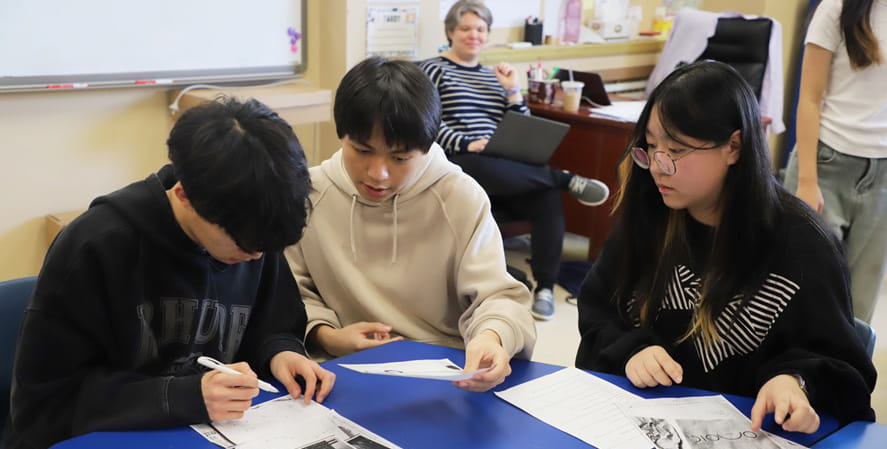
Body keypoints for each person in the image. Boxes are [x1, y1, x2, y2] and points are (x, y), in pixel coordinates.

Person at [4, 98, 335, 449]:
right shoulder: (96, 248)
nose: (255, 256)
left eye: (265, 248)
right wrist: (180, 396)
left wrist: (280, 352)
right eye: (243, 245)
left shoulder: (254, 229)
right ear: (185, 195)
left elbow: (271, 326)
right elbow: (44, 408)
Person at [575, 61, 876, 433]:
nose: (657, 167)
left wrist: (794, 381)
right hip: (643, 426)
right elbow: (598, 312)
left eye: (677, 150)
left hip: (750, 432)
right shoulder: (649, 214)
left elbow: (843, 366)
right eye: (650, 148)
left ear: (734, 146)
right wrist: (631, 350)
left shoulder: (802, 245)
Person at [285, 56, 536, 393]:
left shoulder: (459, 196)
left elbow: (498, 296)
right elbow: (291, 294)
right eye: (361, 150)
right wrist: (328, 336)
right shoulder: (309, 195)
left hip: (446, 373)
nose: (378, 174)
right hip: (338, 371)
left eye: (400, 158)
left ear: (428, 145)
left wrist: (491, 337)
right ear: (341, 136)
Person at [418, 0, 610, 321]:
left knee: (545, 195)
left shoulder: (495, 76)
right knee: (478, 161)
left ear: (488, 35)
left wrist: (513, 93)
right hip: (460, 163)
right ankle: (563, 178)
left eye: (481, 29)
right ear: (450, 32)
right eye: (465, 28)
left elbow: (522, 127)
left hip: (505, 167)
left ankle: (546, 286)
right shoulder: (432, 70)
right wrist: (469, 142)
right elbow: (428, 125)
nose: (474, 35)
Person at [784, 0, 886, 323]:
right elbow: (809, 100)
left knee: (858, 308)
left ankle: (847, 375)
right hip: (825, 163)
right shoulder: (836, 9)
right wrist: (807, 181)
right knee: (801, 292)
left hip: (881, 173)